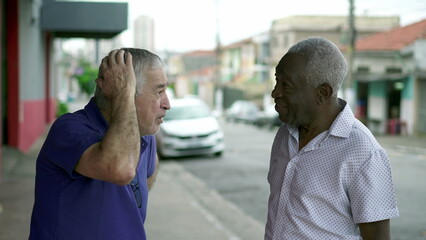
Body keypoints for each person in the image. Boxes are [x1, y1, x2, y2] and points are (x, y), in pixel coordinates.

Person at [265, 37, 399, 240]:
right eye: (277, 81)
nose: (275, 93)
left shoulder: (363, 152)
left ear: (323, 93)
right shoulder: (285, 134)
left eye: (287, 86)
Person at [29, 48, 170, 240]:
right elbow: (121, 170)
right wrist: (122, 95)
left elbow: (149, 172)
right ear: (124, 91)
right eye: (159, 91)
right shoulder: (69, 129)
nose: (167, 103)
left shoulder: (143, 134)